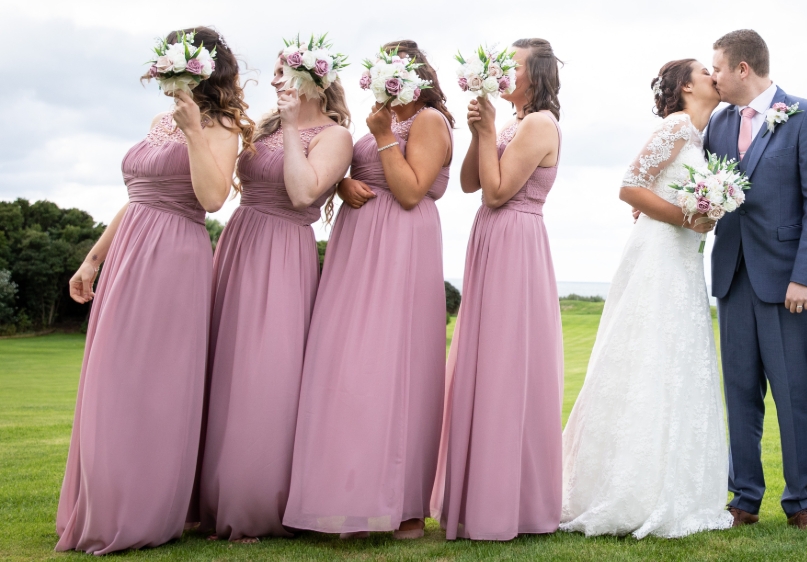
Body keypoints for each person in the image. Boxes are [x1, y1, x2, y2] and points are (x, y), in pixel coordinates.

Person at [58, 26, 251, 555]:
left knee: (152, 383)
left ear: (202, 68)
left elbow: (212, 198)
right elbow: (137, 195)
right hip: (129, 251)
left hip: (173, 256)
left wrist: (193, 131)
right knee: (111, 377)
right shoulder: (158, 121)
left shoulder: (222, 126)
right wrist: (93, 257)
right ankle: (103, 501)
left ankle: (142, 510)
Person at [283, 40, 453, 541]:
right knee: (347, 363)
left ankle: (405, 506)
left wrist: (380, 137)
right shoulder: (383, 116)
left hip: (400, 244)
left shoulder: (428, 120)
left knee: (393, 363)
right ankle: (347, 495)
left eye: (388, 67)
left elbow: (410, 191)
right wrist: (340, 185)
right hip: (356, 244)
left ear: (412, 74)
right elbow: (361, 172)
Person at [559, 59, 733, 539]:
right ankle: (625, 488)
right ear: (685, 86)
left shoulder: (698, 137)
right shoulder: (676, 126)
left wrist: (705, 211)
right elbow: (630, 186)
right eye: (704, 70)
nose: (713, 76)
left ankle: (671, 485)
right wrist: (686, 216)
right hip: (658, 255)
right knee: (648, 357)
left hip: (683, 258)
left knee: (677, 361)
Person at [197, 47, 353, 542]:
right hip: (239, 240)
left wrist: (289, 128)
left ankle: (255, 502)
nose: (274, 82)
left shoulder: (334, 135)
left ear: (312, 81)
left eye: (284, 73)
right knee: (224, 366)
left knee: (264, 373)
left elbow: (304, 194)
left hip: (283, 252)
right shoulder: (261, 126)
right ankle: (207, 496)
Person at [704, 29, 807, 535]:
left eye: (717, 67)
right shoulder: (719, 124)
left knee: (793, 393)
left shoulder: (806, 115)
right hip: (733, 276)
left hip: (789, 282)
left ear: (743, 68)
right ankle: (744, 498)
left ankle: (800, 502)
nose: (712, 76)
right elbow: (704, 187)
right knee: (740, 392)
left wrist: (804, 276)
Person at [434, 38, 564, 541]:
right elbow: (470, 182)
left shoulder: (540, 124)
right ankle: (476, 495)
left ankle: (511, 500)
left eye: (513, 66)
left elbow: (497, 191)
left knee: (507, 363)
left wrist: (489, 130)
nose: (504, 71)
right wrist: (480, 133)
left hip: (516, 239)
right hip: (490, 237)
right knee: (483, 358)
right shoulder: (512, 122)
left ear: (537, 74)